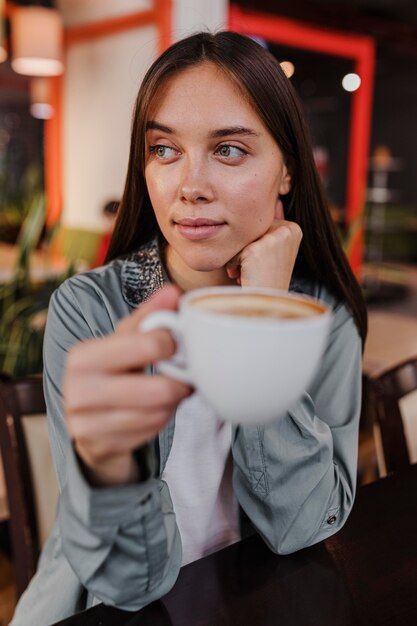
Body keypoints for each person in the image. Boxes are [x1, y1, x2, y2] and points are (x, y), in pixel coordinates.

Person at [11, 31, 367, 624]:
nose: (189, 187)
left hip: (259, 598)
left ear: (288, 173)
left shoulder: (324, 326)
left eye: (229, 150)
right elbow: (127, 580)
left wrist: (263, 315)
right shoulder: (92, 312)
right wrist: (112, 469)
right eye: (164, 150)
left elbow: (303, 528)